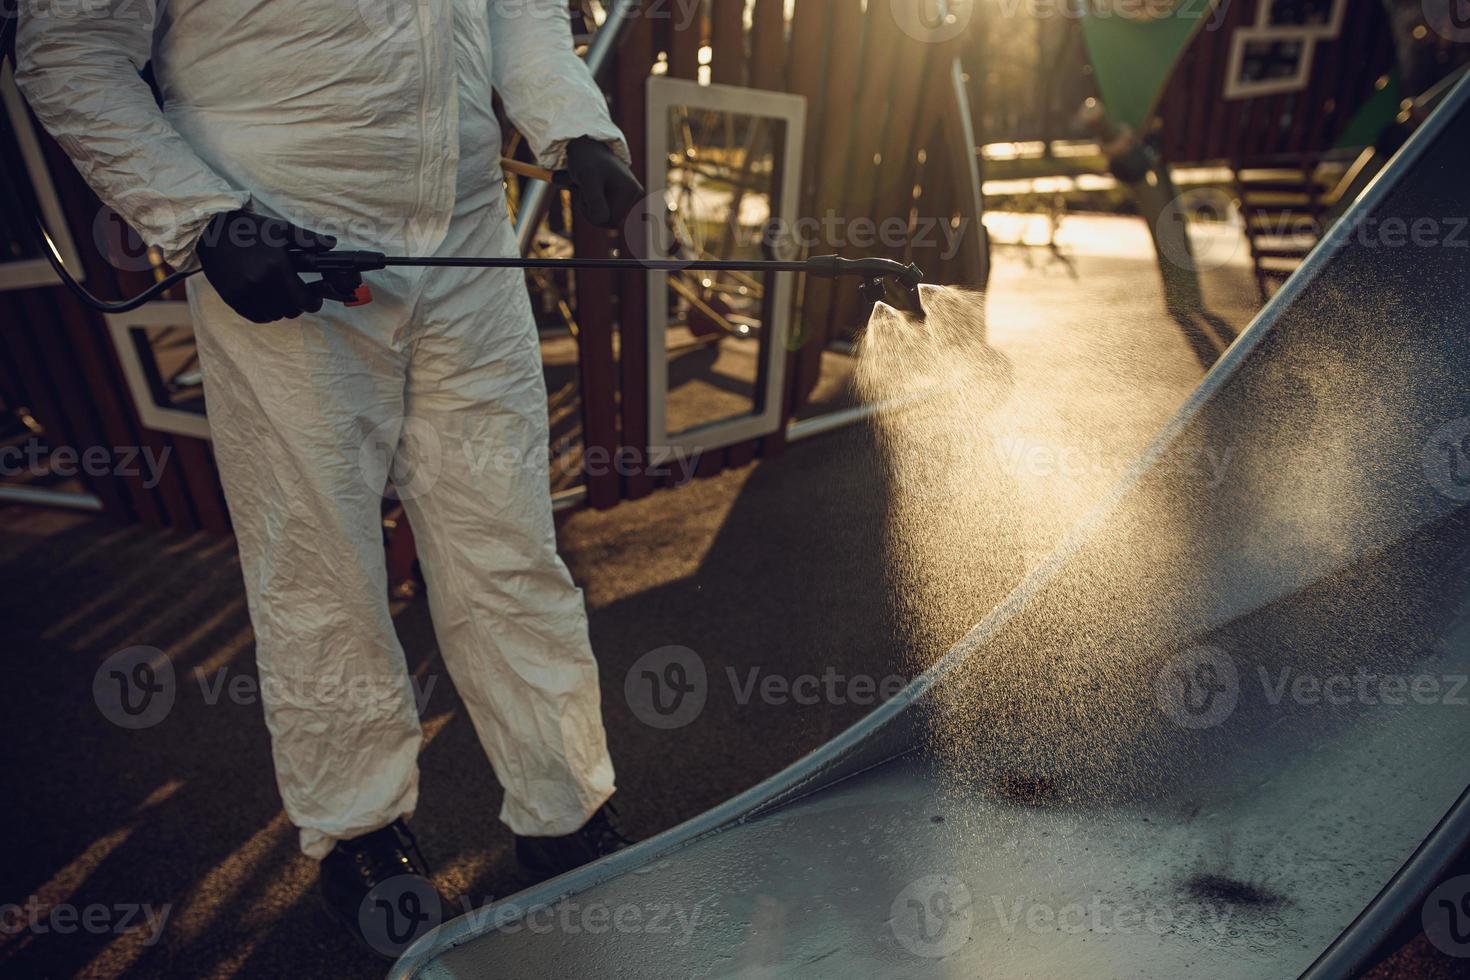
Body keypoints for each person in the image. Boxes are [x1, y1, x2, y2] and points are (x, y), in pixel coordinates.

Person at [16, 0, 644, 954]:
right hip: (284, 247)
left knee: (510, 547)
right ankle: (362, 834)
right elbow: (70, 48)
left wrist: (573, 123)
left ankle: (566, 811)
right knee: (320, 571)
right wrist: (205, 221)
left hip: (466, 245)